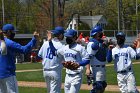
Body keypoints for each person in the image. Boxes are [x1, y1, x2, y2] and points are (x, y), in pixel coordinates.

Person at [63, 26, 111, 93]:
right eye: (100, 32)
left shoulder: (100, 42)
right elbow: (88, 56)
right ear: (97, 33)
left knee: (102, 86)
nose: (102, 33)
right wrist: (88, 69)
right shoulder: (92, 43)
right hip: (95, 68)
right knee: (97, 87)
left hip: (102, 68)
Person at [0, 24, 39, 93]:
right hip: (8, 74)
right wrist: (34, 39)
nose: (14, 33)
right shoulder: (9, 43)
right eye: (13, 32)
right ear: (8, 32)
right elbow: (24, 50)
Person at [49, 29, 86, 93]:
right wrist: (50, 41)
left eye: (69, 37)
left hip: (76, 76)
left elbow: (87, 59)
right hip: (67, 76)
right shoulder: (65, 48)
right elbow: (54, 52)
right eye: (67, 37)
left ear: (74, 38)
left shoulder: (80, 48)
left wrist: (79, 64)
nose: (67, 38)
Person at [38, 26, 65, 93]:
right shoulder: (62, 45)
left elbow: (39, 55)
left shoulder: (46, 43)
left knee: (49, 91)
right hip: (55, 71)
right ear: (61, 35)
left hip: (45, 71)